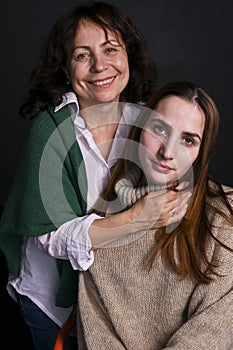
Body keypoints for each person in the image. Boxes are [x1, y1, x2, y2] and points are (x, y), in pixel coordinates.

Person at [0, 2, 191, 350]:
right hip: (53, 302)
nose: (100, 66)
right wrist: (137, 218)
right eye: (82, 55)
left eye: (110, 50)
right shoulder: (51, 130)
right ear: (66, 66)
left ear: (128, 57)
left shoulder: (143, 121)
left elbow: (179, 172)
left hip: (113, 299)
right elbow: (51, 237)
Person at [76, 81, 233, 349]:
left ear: (200, 152)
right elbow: (96, 333)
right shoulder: (106, 215)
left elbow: (214, 329)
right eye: (160, 129)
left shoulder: (224, 215)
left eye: (188, 139)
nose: (167, 152)